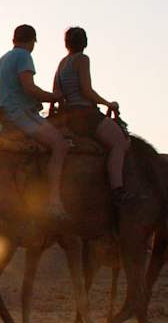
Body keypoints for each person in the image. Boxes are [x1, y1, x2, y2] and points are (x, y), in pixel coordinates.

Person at [0, 24, 68, 219]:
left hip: (6, 115)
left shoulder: (2, 60)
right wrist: (54, 97)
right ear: (32, 41)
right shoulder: (23, 56)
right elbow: (29, 88)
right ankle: (54, 201)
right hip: (21, 114)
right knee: (60, 145)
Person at [51, 27, 132, 202]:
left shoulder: (62, 63)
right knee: (120, 142)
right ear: (85, 42)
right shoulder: (82, 59)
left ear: (67, 43)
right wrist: (108, 103)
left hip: (68, 115)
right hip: (85, 115)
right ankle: (117, 188)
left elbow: (56, 92)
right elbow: (86, 90)